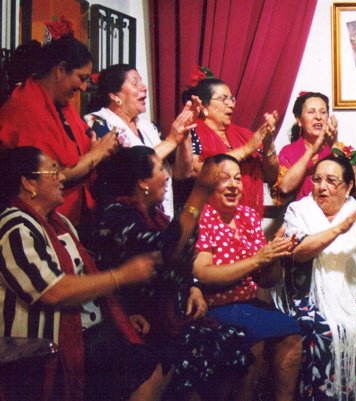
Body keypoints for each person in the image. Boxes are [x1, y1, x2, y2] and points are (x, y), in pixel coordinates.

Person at [0, 146, 165, 401]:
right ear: (28, 183)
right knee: (150, 359)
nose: (63, 178)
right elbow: (53, 291)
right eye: (53, 172)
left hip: (87, 331)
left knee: (155, 351)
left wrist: (119, 315)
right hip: (44, 350)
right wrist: (120, 276)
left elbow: (84, 282)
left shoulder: (60, 223)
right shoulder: (14, 228)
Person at [89, 146, 252, 400]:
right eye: (159, 170)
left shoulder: (155, 215)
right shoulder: (117, 216)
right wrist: (199, 192)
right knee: (202, 349)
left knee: (234, 343)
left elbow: (183, 261)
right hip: (141, 321)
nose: (167, 177)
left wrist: (193, 286)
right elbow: (167, 251)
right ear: (142, 182)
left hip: (170, 316)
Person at [283, 154, 356, 401]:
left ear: (347, 187)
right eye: (317, 180)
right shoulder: (299, 210)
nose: (321, 187)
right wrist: (338, 229)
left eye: (331, 181)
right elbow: (298, 254)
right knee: (315, 328)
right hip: (309, 296)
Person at [192, 154, 302, 401]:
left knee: (292, 333)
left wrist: (275, 255)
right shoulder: (202, 217)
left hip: (248, 305)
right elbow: (203, 274)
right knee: (254, 339)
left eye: (237, 179)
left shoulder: (248, 216)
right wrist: (256, 260)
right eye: (224, 179)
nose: (233, 185)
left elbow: (266, 280)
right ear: (208, 183)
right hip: (214, 305)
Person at [0, 36, 118, 226]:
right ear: (60, 70)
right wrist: (97, 154)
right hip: (36, 223)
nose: (84, 87)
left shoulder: (62, 106)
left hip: (73, 217)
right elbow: (54, 177)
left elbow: (86, 147)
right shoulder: (25, 108)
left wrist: (98, 149)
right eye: (81, 78)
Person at [84, 64, 199, 219]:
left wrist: (185, 134)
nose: (144, 87)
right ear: (114, 96)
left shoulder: (148, 127)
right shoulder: (97, 123)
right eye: (134, 83)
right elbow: (131, 168)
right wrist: (172, 140)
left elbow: (182, 173)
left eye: (141, 81)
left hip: (161, 217)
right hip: (124, 218)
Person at [182, 76, 279, 216]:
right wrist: (247, 149)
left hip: (246, 218)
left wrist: (268, 144)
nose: (231, 104)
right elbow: (196, 170)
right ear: (203, 106)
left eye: (232, 99)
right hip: (207, 217)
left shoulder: (244, 135)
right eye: (223, 99)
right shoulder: (191, 131)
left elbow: (271, 176)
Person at [275, 91, 338, 202]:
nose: (318, 117)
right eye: (311, 112)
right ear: (299, 120)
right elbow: (284, 188)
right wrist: (311, 151)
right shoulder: (288, 152)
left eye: (323, 112)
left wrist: (335, 144)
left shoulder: (336, 148)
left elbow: (353, 182)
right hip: (299, 216)